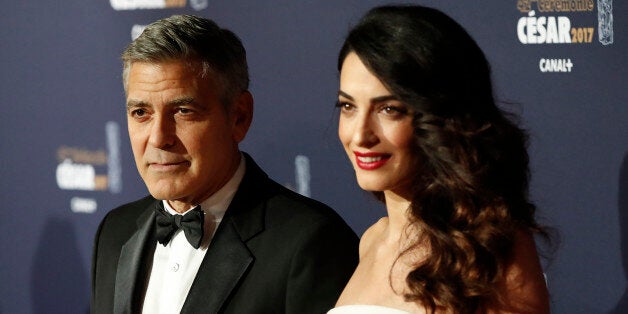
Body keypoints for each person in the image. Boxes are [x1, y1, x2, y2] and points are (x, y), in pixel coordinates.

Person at [91, 14, 359, 314]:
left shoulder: (309, 244)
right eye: (141, 113)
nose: (158, 138)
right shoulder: (115, 231)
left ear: (239, 116)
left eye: (182, 111)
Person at [329, 5, 550, 314]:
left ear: (440, 117)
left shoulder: (490, 249)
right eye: (348, 106)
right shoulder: (371, 241)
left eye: (389, 109)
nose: (360, 135)